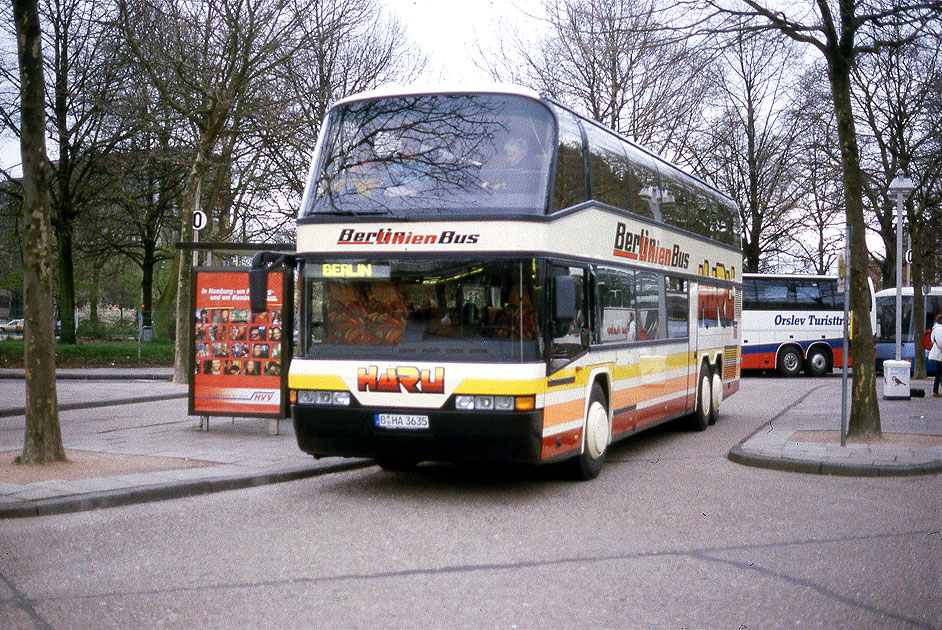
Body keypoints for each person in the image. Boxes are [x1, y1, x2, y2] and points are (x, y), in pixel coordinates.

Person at [930, 313, 942, 397]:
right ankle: (935, 391)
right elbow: (940, 343)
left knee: (938, 373)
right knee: (940, 373)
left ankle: (935, 391)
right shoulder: (939, 329)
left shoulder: (935, 329)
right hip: (940, 354)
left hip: (938, 354)